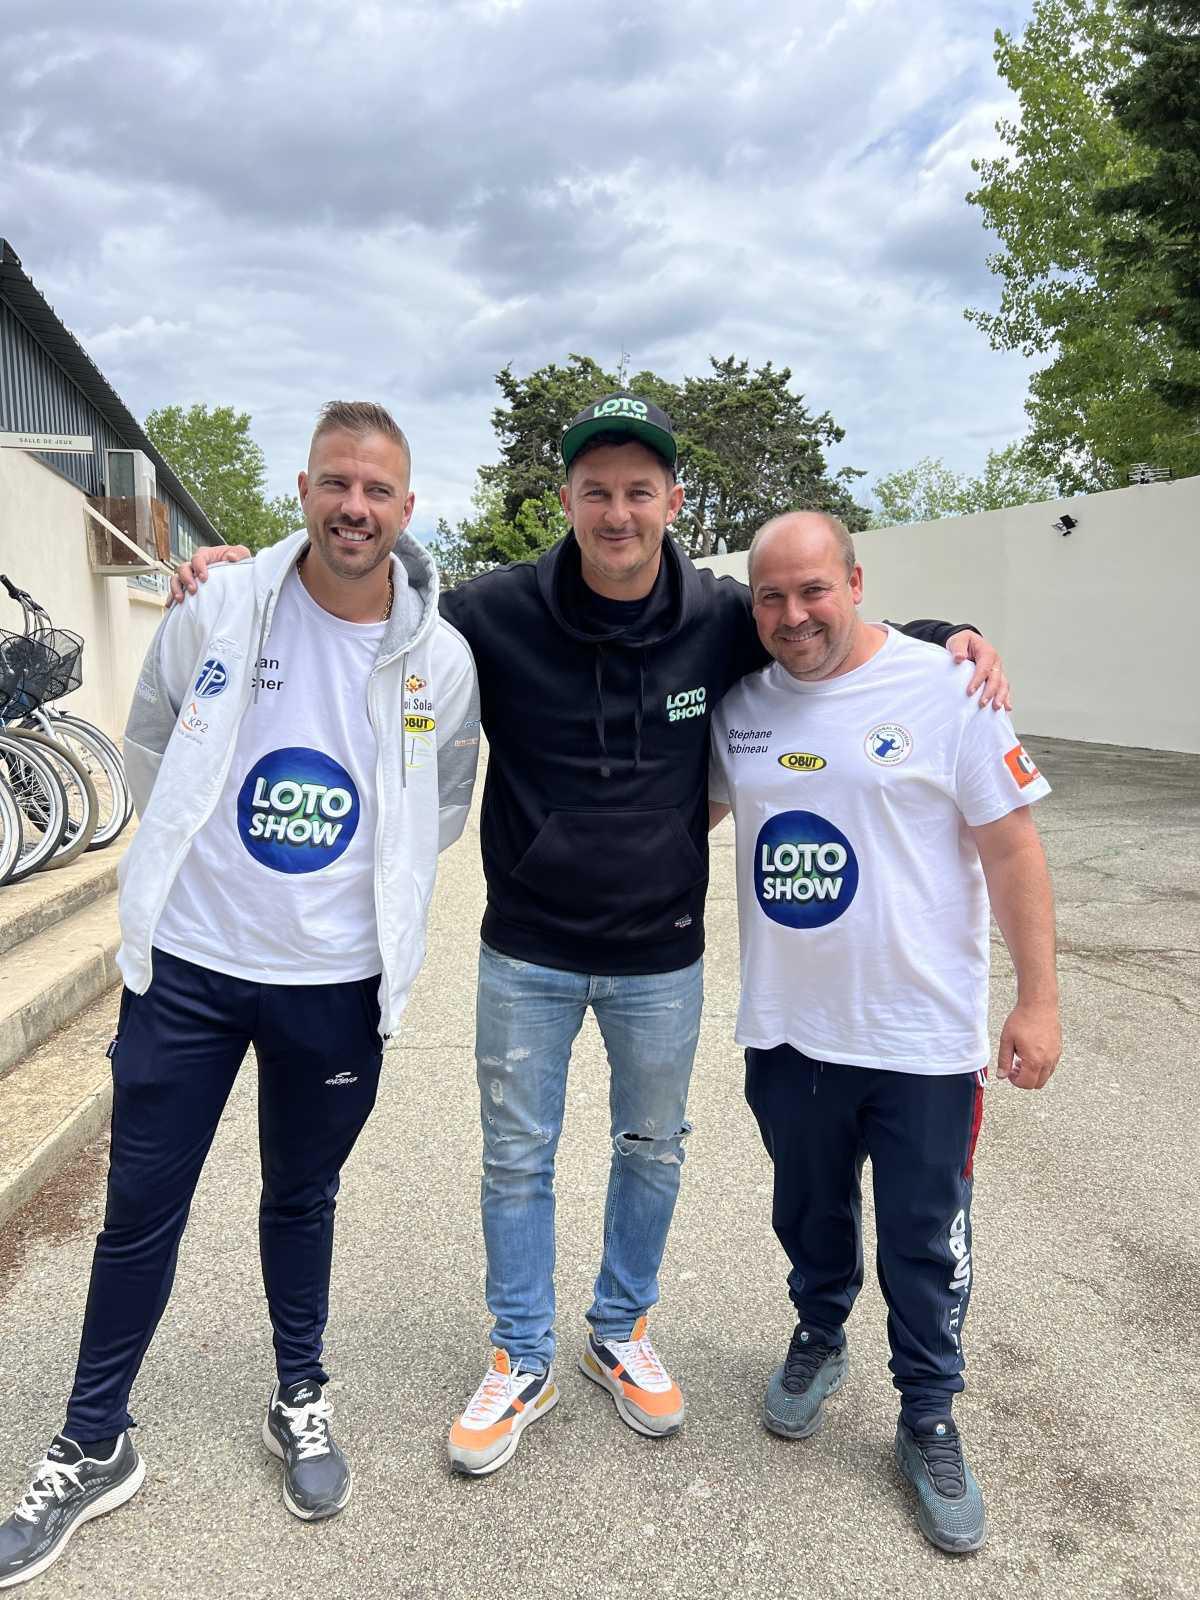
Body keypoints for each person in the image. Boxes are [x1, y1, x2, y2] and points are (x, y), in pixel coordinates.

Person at [166, 391, 1009, 1478]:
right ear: (565, 498)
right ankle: (521, 1353)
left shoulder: (719, 617)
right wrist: (238, 576)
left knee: (652, 1150)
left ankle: (621, 1329)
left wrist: (947, 637)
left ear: (673, 502)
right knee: (516, 1158)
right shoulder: (493, 611)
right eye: (597, 491)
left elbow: (825, 631)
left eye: (639, 492)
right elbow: (372, 593)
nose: (619, 512)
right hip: (526, 949)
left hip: (661, 955)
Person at [0, 403, 479, 1587]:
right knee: (139, 1205)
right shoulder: (218, 605)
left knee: (301, 1196)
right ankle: (93, 1440)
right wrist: (192, 864)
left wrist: (368, 898)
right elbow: (151, 738)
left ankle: (299, 1392)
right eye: (335, 483)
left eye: (376, 489)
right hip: (194, 970)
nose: (354, 507)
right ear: (303, 490)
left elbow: (445, 797)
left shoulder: (443, 657)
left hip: (333, 984)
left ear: (406, 508)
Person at [708, 511, 1060, 1554]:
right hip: (790, 1031)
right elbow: (681, 817)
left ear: (856, 584)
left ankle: (929, 1414)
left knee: (923, 1236)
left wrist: (1038, 1000)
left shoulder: (949, 689)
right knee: (807, 1211)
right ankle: (820, 1334)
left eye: (814, 589)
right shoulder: (742, 707)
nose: (793, 614)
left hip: (921, 1042)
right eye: (771, 597)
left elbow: (1012, 847)